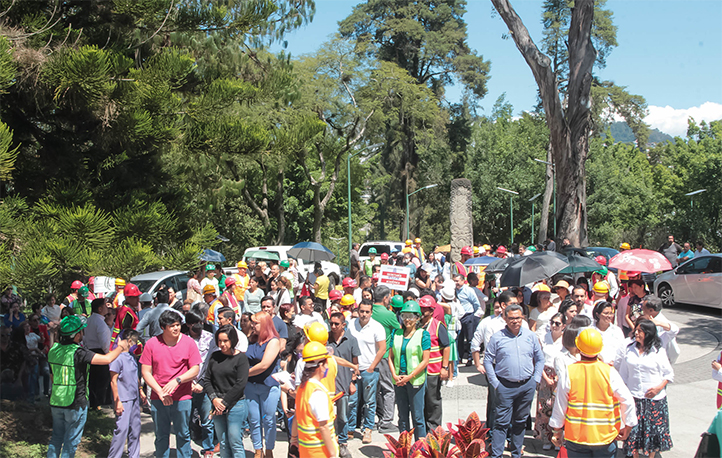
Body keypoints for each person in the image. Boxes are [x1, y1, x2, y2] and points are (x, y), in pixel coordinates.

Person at [48, 315, 130, 458]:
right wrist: (121, 347)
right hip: (75, 402)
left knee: (56, 438)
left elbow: (52, 376)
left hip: (56, 401)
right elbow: (107, 359)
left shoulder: (53, 350)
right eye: (81, 331)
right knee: (70, 442)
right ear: (77, 334)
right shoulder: (79, 352)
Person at [550, 328, 637, 457]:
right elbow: (627, 400)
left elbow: (560, 404)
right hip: (605, 437)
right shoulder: (609, 372)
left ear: (578, 348)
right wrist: (628, 425)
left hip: (576, 438)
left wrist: (556, 431)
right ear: (599, 348)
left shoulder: (570, 372)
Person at [484, 303, 544, 458]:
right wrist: (495, 383)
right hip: (505, 386)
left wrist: (535, 379)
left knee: (520, 422)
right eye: (511, 318)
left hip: (526, 386)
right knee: (501, 423)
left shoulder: (530, 336)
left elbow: (539, 358)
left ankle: (516, 454)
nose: (515, 321)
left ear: (522, 317)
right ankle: (496, 455)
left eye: (517, 318)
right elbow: (488, 360)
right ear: (505, 319)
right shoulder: (497, 337)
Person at [140, 310, 202, 458]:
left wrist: (178, 380)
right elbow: (146, 372)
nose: (176, 328)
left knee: (183, 433)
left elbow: (195, 369)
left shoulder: (188, 343)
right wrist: (160, 392)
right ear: (163, 327)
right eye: (172, 326)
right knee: (161, 434)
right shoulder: (152, 344)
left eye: (178, 325)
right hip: (158, 397)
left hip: (182, 397)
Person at [615, 319, 674, 457]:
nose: (636, 333)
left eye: (640, 331)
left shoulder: (658, 351)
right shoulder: (629, 349)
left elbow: (669, 374)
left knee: (653, 432)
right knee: (633, 431)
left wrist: (658, 388)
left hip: (654, 400)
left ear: (648, 333)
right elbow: (623, 374)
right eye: (636, 330)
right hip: (634, 397)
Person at [203, 324, 250, 458]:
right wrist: (214, 399)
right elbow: (207, 380)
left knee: (235, 441)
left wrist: (224, 402)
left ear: (232, 340)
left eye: (225, 341)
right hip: (217, 404)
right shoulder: (214, 356)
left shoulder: (240, 358)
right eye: (219, 341)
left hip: (235, 404)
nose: (222, 344)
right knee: (223, 442)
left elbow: (240, 383)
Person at [388, 301, 430, 440]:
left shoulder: (423, 334)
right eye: (404, 315)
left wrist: (410, 376)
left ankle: (420, 449)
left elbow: (425, 360)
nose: (407, 319)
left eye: (411, 316)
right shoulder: (396, 333)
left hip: (415, 380)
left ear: (417, 318)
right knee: (402, 417)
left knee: (418, 417)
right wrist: (395, 375)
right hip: (399, 380)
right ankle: (404, 447)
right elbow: (390, 357)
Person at [347, 301, 386, 444]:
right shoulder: (351, 324)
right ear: (358, 311)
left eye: (367, 312)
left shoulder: (377, 327)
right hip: (353, 369)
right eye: (362, 311)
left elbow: (382, 349)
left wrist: (371, 367)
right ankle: (350, 427)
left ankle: (368, 429)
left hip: (369, 370)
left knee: (369, 402)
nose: (364, 314)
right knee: (352, 400)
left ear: (371, 312)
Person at [245, 311, 281, 458]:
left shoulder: (274, 341)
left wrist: (243, 374)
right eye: (252, 322)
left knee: (269, 420)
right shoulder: (250, 340)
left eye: (255, 323)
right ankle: (258, 450)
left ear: (265, 324)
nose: (252, 325)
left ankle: (269, 449)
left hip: (268, 386)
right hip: (251, 386)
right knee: (253, 420)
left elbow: (264, 365)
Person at [295, 341, 339, 458]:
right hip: (320, 452)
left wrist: (293, 439)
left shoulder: (302, 388)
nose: (327, 366)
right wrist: (333, 454)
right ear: (320, 366)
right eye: (326, 363)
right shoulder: (317, 392)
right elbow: (323, 426)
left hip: (306, 452)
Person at [108, 330, 146, 458]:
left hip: (134, 398)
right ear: (129, 341)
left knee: (135, 430)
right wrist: (117, 401)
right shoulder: (116, 358)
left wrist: (140, 390)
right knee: (122, 430)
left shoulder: (131, 357)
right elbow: (113, 381)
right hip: (123, 399)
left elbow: (135, 376)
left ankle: (134, 455)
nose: (135, 345)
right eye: (135, 342)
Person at [328, 312, 360, 458]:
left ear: (343, 325)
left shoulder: (351, 340)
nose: (333, 326)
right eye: (331, 323)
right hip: (327, 386)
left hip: (343, 385)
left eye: (336, 324)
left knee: (342, 417)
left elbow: (355, 363)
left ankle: (343, 443)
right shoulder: (325, 339)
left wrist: (353, 382)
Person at [370, 286, 401, 433]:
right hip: (383, 357)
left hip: (368, 356)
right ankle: (387, 421)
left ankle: (375, 418)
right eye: (389, 297)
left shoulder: (367, 311)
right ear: (385, 298)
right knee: (388, 388)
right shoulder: (389, 315)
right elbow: (401, 329)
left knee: (374, 389)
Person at [185, 311, 216, 456]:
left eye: (201, 323)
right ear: (188, 324)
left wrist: (202, 383)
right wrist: (189, 382)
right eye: (195, 323)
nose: (199, 326)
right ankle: (186, 448)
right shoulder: (183, 340)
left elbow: (211, 363)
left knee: (207, 419)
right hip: (186, 384)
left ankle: (208, 447)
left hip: (204, 384)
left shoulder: (210, 339)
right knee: (187, 417)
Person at [418, 295, 450, 433]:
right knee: (421, 402)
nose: (423, 311)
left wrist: (445, 368)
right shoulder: (416, 325)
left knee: (433, 401)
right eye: (421, 308)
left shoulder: (437, 326)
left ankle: (434, 430)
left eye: (426, 309)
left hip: (433, 370)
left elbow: (446, 346)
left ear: (432, 311)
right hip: (418, 370)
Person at [534, 312, 565, 450]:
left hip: (560, 374)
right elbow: (538, 359)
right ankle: (545, 438)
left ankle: (558, 439)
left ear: (564, 326)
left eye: (557, 323)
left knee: (558, 407)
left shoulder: (566, 340)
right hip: (545, 375)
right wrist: (545, 378)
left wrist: (558, 377)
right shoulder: (544, 337)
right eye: (552, 323)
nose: (554, 326)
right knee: (544, 407)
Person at [83, 298, 112, 409]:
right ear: (100, 309)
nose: (107, 308)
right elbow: (105, 342)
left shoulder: (89, 320)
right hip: (100, 352)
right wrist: (108, 355)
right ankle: (100, 403)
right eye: (105, 306)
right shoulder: (100, 322)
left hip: (90, 350)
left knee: (93, 380)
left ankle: (93, 402)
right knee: (102, 379)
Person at [640, 295, 680, 364]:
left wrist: (658, 323)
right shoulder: (649, 319)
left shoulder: (661, 322)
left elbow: (675, 330)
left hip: (660, 360)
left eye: (643, 308)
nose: (642, 309)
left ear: (651, 310)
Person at [453, 273, 481, 366]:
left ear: (462, 281)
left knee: (470, 338)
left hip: (468, 316)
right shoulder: (454, 291)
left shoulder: (468, 290)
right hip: (458, 317)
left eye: (457, 281)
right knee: (459, 338)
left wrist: (474, 315)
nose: (455, 283)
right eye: (454, 281)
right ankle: (459, 358)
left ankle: (470, 358)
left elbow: (476, 303)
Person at [591, 301, 626, 365]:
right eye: (606, 313)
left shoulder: (617, 331)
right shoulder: (590, 330)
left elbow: (622, 350)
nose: (609, 316)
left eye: (611, 313)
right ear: (597, 314)